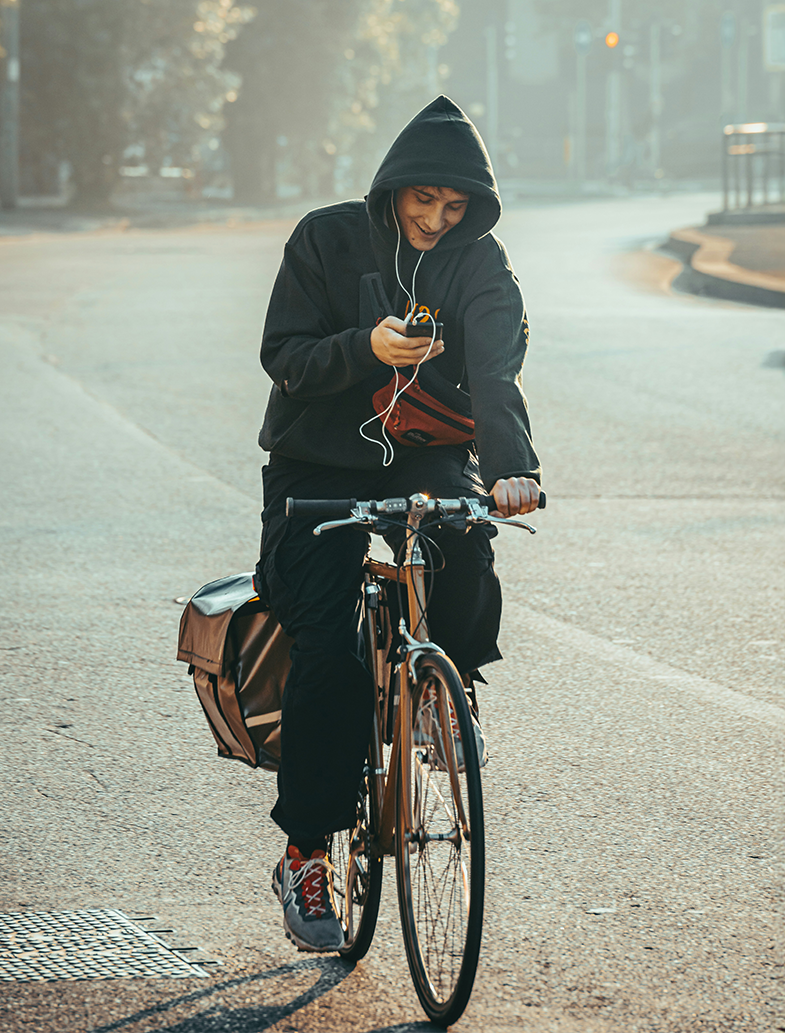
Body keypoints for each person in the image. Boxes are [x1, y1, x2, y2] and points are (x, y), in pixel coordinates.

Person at [253, 96, 541, 952]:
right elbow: (284, 356)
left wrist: (513, 468)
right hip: (314, 466)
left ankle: (448, 698)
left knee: (463, 543)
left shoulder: (482, 264)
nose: (436, 220)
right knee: (328, 648)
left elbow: (496, 369)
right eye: (425, 201)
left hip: (423, 450)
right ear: (394, 188)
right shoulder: (325, 238)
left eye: (455, 209)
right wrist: (365, 350)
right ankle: (307, 851)